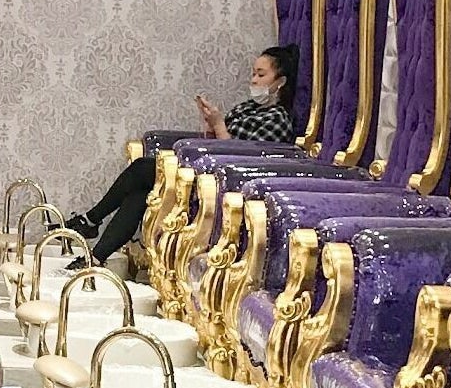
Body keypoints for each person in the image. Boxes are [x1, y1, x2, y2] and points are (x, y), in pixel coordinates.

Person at [63, 45, 299, 269]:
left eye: (261, 74)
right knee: (139, 193)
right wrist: (211, 126)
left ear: (280, 82)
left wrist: (219, 124)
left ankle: (90, 221)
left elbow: (238, 158)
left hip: (225, 186)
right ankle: (95, 257)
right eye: (253, 74)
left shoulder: (277, 119)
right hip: (207, 171)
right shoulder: (247, 109)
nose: (254, 80)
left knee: (142, 169)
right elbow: (220, 143)